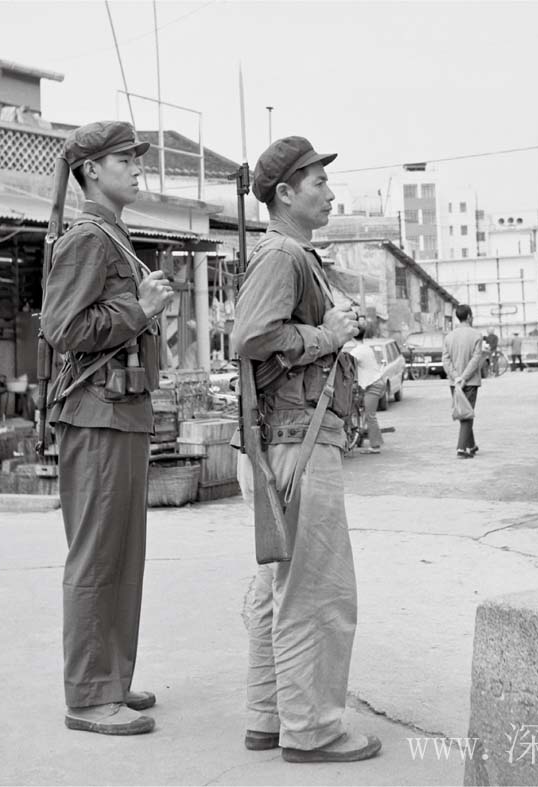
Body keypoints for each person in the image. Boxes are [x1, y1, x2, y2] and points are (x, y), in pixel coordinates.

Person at [231, 136, 382, 763]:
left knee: (278, 589)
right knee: (317, 592)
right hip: (294, 441)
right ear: (285, 193)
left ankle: (270, 717)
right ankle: (313, 729)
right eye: (316, 180)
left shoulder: (293, 255)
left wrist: (334, 330)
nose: (329, 190)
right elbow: (251, 335)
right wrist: (326, 334)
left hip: (282, 440)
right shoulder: (285, 255)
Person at [41, 121, 174, 736]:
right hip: (94, 417)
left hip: (122, 414)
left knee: (125, 556)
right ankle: (89, 696)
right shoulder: (88, 239)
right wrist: (140, 308)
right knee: (97, 558)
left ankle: (112, 678)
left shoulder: (113, 237)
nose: (136, 166)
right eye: (124, 158)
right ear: (91, 169)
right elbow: (63, 329)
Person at [442, 305, 484, 458]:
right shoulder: (477, 335)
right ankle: (461, 448)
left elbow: (445, 360)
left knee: (464, 411)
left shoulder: (449, 337)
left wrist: (456, 377)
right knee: (467, 414)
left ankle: (471, 445)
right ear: (469, 316)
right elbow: (476, 359)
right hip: (470, 381)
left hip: (455, 383)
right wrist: (465, 377)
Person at [347, 324, 386, 454]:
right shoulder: (366, 348)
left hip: (373, 385)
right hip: (376, 383)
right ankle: (369, 440)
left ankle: (375, 446)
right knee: (366, 414)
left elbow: (347, 365)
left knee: (370, 416)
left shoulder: (357, 351)